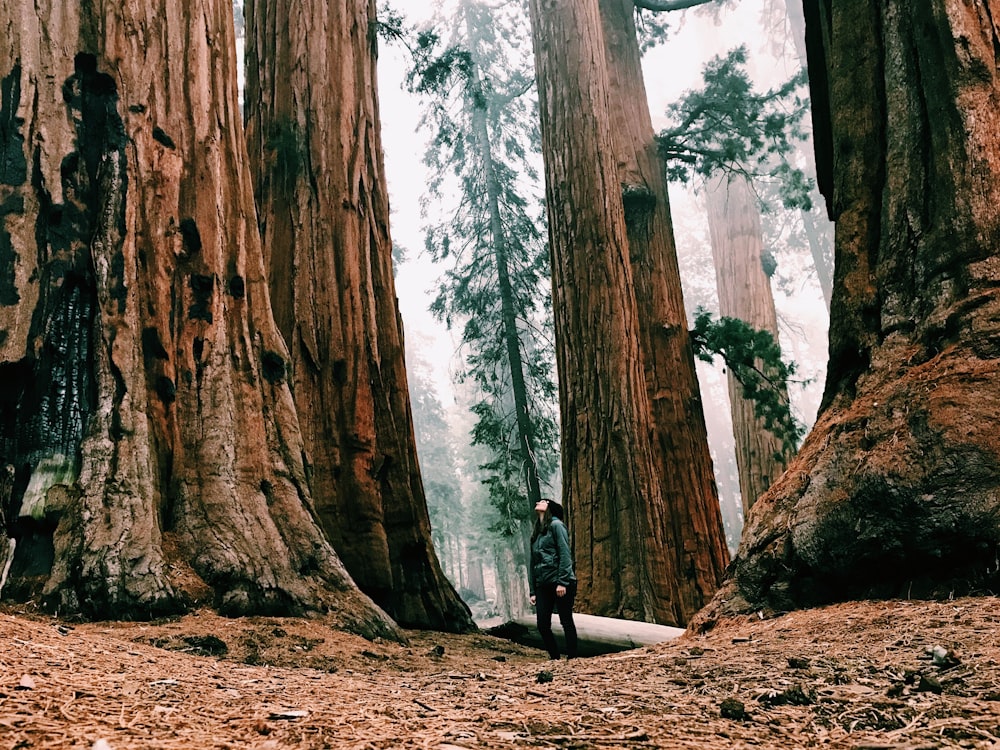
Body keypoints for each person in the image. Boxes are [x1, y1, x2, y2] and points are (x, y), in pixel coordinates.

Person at [528, 498, 578, 660]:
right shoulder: (537, 531)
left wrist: (562, 582)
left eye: (543, 501)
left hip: (560, 582)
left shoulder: (557, 526)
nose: (539, 502)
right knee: (542, 624)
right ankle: (555, 657)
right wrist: (533, 591)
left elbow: (564, 554)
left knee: (566, 620)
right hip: (543, 584)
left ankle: (573, 657)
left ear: (550, 508)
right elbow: (533, 562)